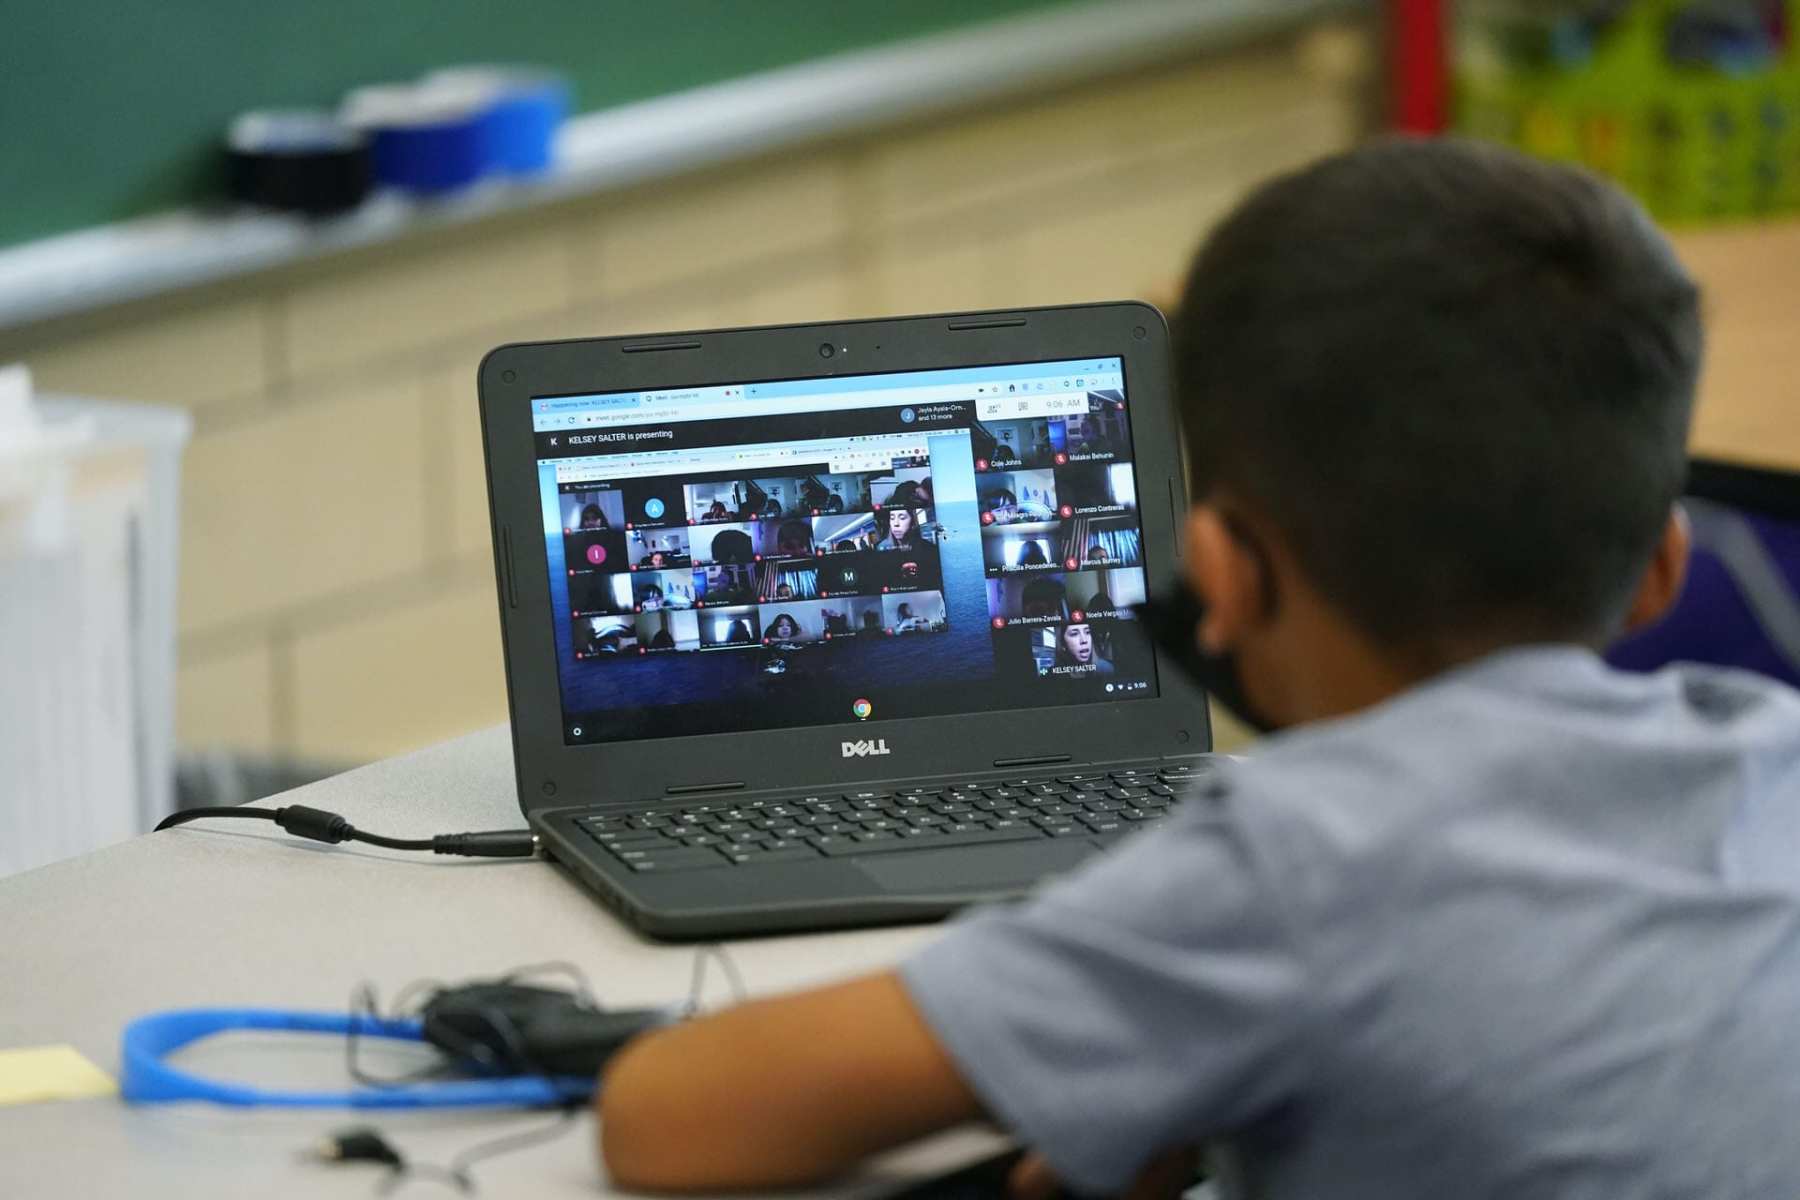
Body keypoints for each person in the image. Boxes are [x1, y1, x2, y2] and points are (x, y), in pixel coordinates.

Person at [596, 140, 1800, 1199]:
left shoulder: (1292, 868)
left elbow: (667, 1118)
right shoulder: (1773, 758)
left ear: (1222, 570)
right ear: (1663, 567)